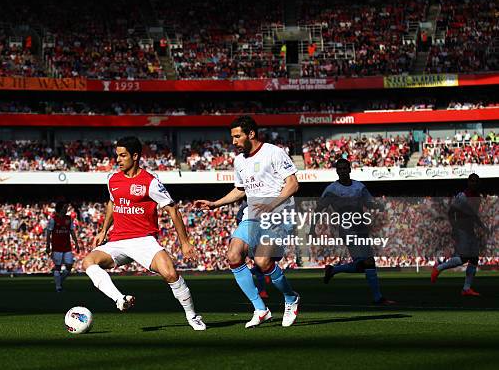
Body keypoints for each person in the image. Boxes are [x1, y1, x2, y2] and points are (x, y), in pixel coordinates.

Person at [82, 136, 206, 331]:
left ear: (135, 156)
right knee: (88, 261)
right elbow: (113, 203)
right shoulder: (112, 179)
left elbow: (172, 209)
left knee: (171, 274)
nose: (118, 160)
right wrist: (103, 230)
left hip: (144, 241)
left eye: (123, 156)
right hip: (118, 241)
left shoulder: (150, 182)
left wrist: (185, 242)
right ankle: (120, 299)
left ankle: (192, 316)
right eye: (117, 156)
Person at [195, 115, 300, 328]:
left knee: (262, 262)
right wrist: (215, 204)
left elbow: (293, 184)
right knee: (233, 254)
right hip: (252, 215)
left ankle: (291, 298)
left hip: (277, 214)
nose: (233, 141)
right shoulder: (239, 161)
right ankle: (260, 309)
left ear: (251, 134)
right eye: (232, 137)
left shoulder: (274, 152)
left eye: (237, 136)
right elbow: (240, 190)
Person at [315, 158, 395, 305]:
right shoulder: (332, 190)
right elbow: (319, 208)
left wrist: (378, 205)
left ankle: (333, 270)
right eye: (339, 169)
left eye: (345, 168)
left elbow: (369, 203)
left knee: (366, 264)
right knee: (367, 262)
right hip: (347, 228)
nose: (342, 171)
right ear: (337, 171)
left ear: (350, 169)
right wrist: (313, 228)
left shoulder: (359, 187)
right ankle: (378, 298)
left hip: (361, 227)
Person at [431, 173, 487, 296]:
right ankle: (440, 268)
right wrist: (455, 227)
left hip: (469, 230)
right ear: (468, 182)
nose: (474, 183)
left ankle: (466, 288)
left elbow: (473, 214)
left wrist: (481, 225)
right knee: (465, 258)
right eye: (472, 181)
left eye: (476, 181)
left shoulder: (477, 196)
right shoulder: (462, 196)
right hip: (462, 229)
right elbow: (451, 212)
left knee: (472, 258)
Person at [46, 202, 80, 292]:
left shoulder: (69, 219)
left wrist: (76, 243)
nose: (66, 209)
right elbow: (48, 233)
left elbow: (72, 231)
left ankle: (59, 282)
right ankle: (58, 288)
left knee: (69, 266)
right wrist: (47, 246)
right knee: (58, 267)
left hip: (67, 247)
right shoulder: (53, 219)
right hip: (57, 247)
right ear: (60, 209)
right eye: (65, 208)